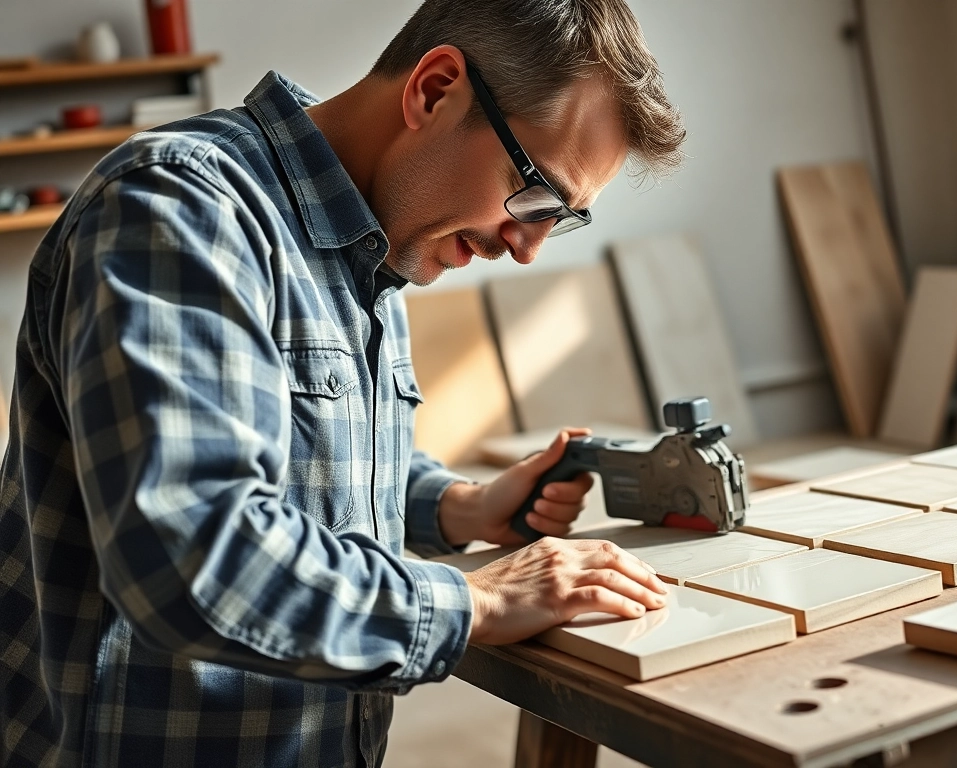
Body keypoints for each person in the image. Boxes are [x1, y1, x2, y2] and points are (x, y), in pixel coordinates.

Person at [0, 0, 687, 765]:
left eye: (563, 218)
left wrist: (459, 506)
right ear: (434, 90)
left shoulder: (377, 247)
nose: (528, 247)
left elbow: (305, 461)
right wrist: (481, 598)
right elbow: (191, 551)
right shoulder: (180, 207)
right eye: (536, 194)